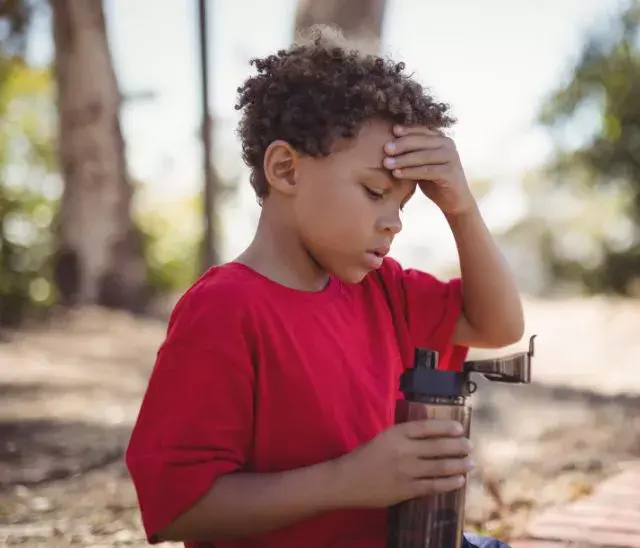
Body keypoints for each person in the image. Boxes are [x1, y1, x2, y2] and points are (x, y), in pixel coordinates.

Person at [124, 25, 524, 548]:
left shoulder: (384, 290)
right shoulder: (225, 308)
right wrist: (347, 482)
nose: (394, 223)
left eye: (402, 205)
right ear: (287, 169)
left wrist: (461, 207)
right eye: (375, 191)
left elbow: (500, 324)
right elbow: (178, 509)